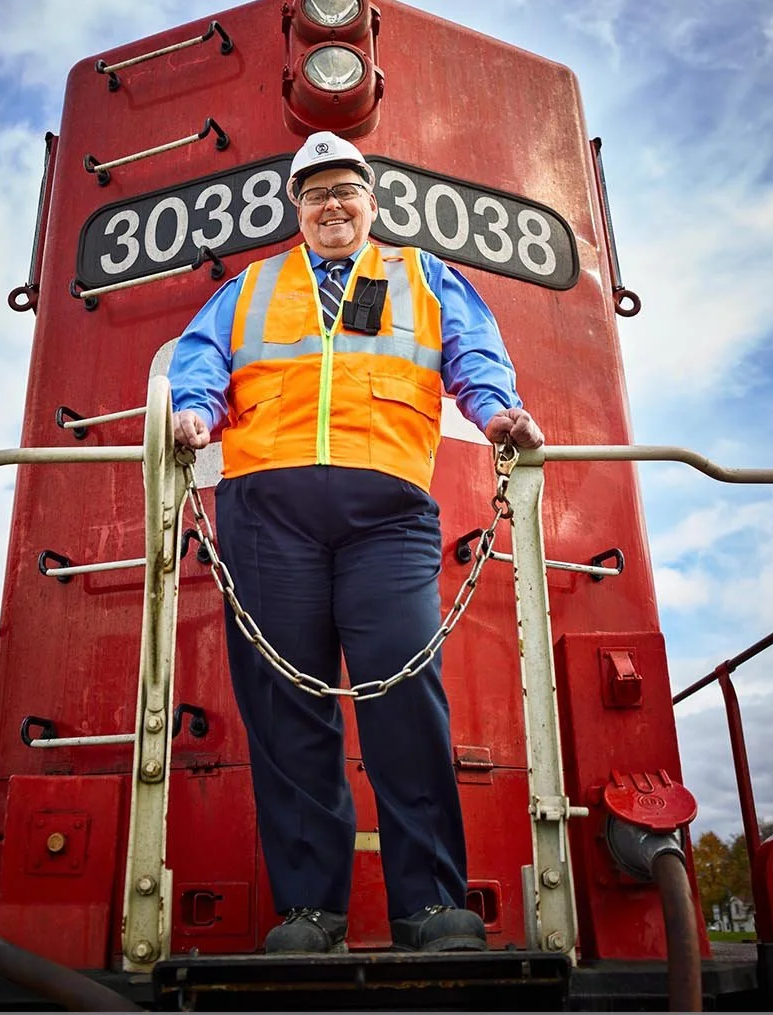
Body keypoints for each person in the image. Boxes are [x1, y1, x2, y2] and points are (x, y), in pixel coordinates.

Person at [169, 130, 543, 955]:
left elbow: (472, 353)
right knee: (284, 708)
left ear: (372, 203)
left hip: (390, 515)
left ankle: (433, 906)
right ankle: (311, 911)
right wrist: (192, 411)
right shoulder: (250, 287)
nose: (331, 205)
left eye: (346, 190)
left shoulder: (423, 276)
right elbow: (201, 361)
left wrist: (496, 411)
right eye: (314, 193)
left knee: (406, 699)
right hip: (265, 514)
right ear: (296, 210)